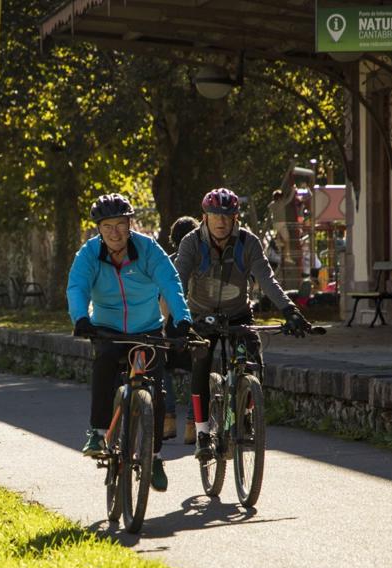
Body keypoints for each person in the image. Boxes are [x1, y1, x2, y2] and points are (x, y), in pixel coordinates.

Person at [174, 187, 312, 462]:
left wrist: (290, 310)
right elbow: (177, 280)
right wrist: (177, 319)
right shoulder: (191, 242)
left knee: (253, 355)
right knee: (201, 363)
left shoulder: (248, 242)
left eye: (228, 216)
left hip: (238, 313)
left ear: (236, 217)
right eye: (215, 216)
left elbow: (267, 279)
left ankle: (247, 407)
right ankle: (202, 432)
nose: (222, 221)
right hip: (201, 315)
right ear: (205, 216)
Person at [68, 193, 193, 493]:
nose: (115, 232)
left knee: (158, 389)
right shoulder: (88, 254)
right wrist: (80, 319)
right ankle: (98, 433)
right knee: (104, 363)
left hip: (147, 328)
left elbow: (170, 282)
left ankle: (156, 456)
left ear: (130, 224)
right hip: (108, 329)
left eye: (121, 225)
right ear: (99, 228)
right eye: (107, 226)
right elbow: (77, 286)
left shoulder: (148, 249)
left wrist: (182, 317)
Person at [163, 215, 200, 445]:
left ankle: (168, 419)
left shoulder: (167, 262)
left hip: (172, 325)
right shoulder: (201, 262)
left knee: (164, 369)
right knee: (198, 371)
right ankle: (191, 425)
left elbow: (162, 298)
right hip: (196, 324)